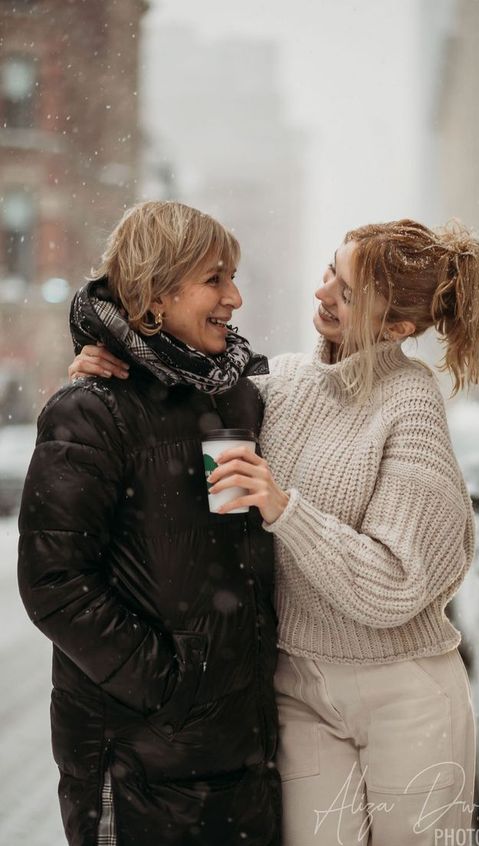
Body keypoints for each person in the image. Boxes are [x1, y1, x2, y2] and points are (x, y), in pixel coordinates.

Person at [69, 217, 479, 845]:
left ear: (397, 328)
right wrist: (98, 374)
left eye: (348, 293)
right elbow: (177, 401)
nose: (323, 293)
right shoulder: (286, 383)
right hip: (298, 687)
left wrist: (285, 509)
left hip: (402, 692)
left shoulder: (410, 406)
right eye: (330, 271)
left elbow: (396, 585)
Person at [18, 201, 281, 846]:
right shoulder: (90, 411)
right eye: (215, 279)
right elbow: (53, 581)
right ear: (158, 293)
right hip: (136, 760)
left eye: (234, 277)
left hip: (241, 758)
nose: (235, 297)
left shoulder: (235, 394)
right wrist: (171, 683)